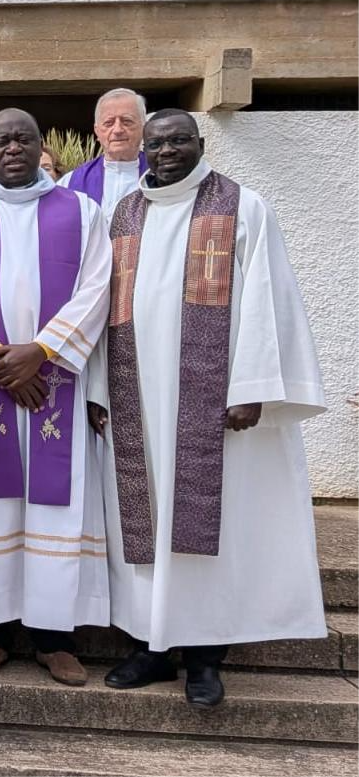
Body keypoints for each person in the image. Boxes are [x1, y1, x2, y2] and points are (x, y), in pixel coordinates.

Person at [94, 109, 326, 708]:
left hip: (211, 400)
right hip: (137, 396)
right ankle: (150, 646)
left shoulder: (241, 206)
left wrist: (251, 385)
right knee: (143, 524)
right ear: (143, 149)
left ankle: (204, 658)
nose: (166, 150)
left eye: (178, 140)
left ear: (200, 144)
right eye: (156, 142)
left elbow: (268, 295)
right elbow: (100, 304)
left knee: (202, 525)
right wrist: (99, 391)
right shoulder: (123, 214)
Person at [0, 108, 112, 688]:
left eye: (24, 139)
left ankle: (56, 638)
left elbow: (97, 288)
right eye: (2, 140)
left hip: (55, 378)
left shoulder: (82, 212)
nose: (13, 148)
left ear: (41, 147)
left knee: (55, 508)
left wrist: (43, 352)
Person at [60, 88, 149, 216]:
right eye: (109, 123)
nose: (117, 130)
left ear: (144, 127)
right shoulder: (69, 183)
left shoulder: (160, 176)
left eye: (127, 121)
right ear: (97, 131)